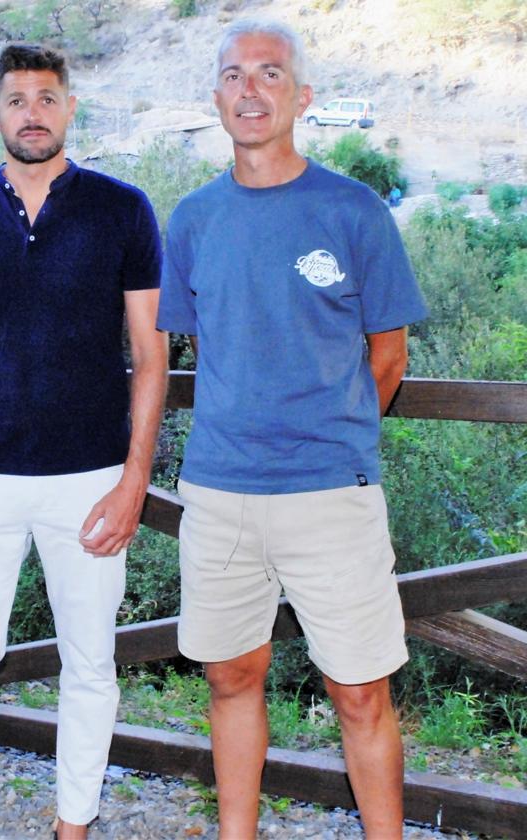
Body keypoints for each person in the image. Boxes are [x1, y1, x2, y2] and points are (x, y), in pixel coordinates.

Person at [157, 18, 428, 838]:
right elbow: (200, 347)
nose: (250, 89)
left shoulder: (353, 210)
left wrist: (333, 438)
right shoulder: (194, 219)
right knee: (233, 677)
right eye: (234, 75)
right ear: (216, 98)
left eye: (270, 73)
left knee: (359, 690)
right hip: (219, 491)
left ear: (301, 97)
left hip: (331, 494)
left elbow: (388, 355)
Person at [0, 44, 169, 840]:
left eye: (48, 97)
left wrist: (135, 479)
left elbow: (151, 353)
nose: (32, 111)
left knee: (90, 667)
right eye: (17, 98)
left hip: (91, 478)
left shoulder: (123, 210)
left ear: (69, 110)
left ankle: (74, 824)